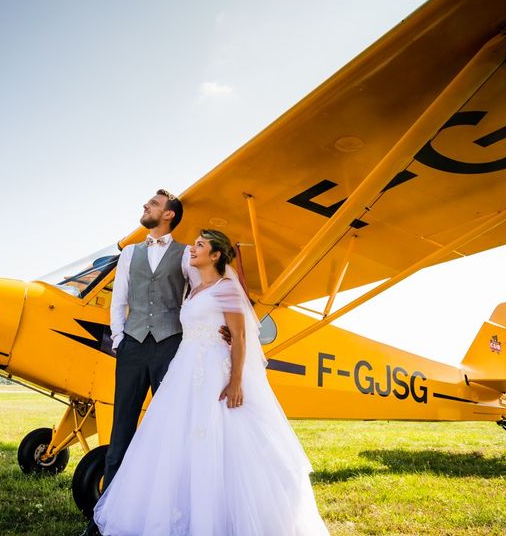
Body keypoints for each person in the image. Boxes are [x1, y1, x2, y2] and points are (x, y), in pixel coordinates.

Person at [93, 229, 330, 535]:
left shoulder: (227, 287)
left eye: (201, 245)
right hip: (185, 369)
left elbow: (241, 335)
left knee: (219, 440)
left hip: (215, 370)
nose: (193, 248)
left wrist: (235, 382)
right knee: (173, 441)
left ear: (215, 255)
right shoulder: (194, 288)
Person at [81, 189, 200, 536]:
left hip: (170, 348)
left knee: (169, 431)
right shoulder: (129, 253)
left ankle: (169, 516)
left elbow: (195, 298)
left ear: (168, 216)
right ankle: (106, 518)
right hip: (132, 348)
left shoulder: (183, 255)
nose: (145, 206)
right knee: (121, 432)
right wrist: (120, 341)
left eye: (153, 204)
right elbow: (118, 302)